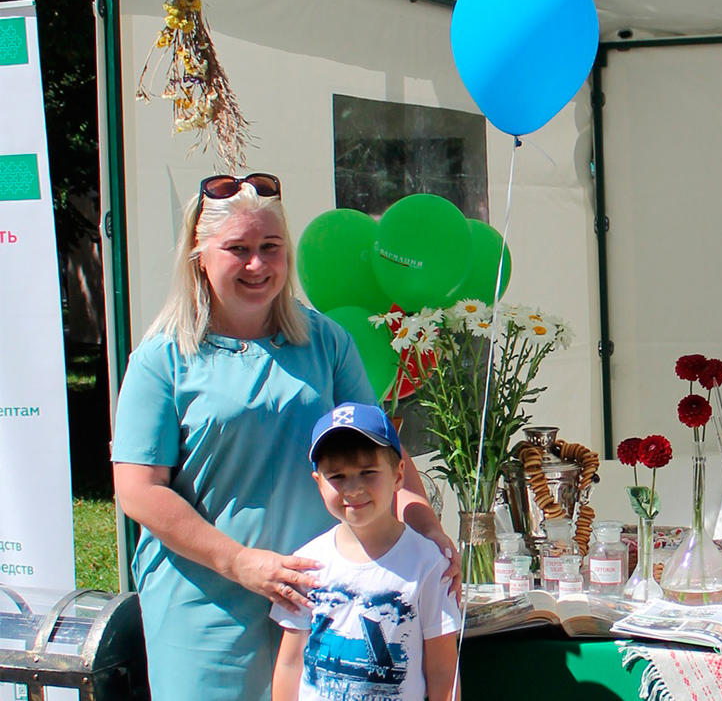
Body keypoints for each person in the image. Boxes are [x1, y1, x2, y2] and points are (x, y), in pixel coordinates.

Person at [110, 173, 460, 701]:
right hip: (206, 611)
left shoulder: (327, 341)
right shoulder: (163, 358)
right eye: (238, 249)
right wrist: (238, 561)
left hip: (326, 600)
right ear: (200, 257)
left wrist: (425, 525)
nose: (257, 264)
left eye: (270, 247)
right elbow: (138, 489)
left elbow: (384, 455)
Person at [271, 402, 460, 701]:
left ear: (398, 475)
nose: (353, 489)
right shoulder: (305, 564)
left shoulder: (428, 563)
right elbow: (290, 662)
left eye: (368, 472)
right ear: (319, 483)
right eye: (337, 476)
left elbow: (443, 670)